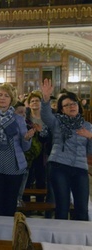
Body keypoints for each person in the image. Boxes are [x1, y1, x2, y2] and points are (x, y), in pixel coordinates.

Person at [41, 79, 92, 221]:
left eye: (74, 103)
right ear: (62, 109)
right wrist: (45, 98)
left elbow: (90, 152)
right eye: (67, 105)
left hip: (80, 168)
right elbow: (45, 116)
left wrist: (90, 137)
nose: (71, 106)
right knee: (62, 206)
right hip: (59, 166)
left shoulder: (87, 126)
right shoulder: (57, 121)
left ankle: (79, 240)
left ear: (78, 105)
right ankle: (60, 239)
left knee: (81, 208)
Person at [0, 83, 35, 217]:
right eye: (0, 95)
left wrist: (27, 138)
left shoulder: (18, 119)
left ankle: (9, 234)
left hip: (14, 165)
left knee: (10, 203)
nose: (3, 98)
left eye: (6, 95)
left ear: (11, 99)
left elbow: (25, 148)